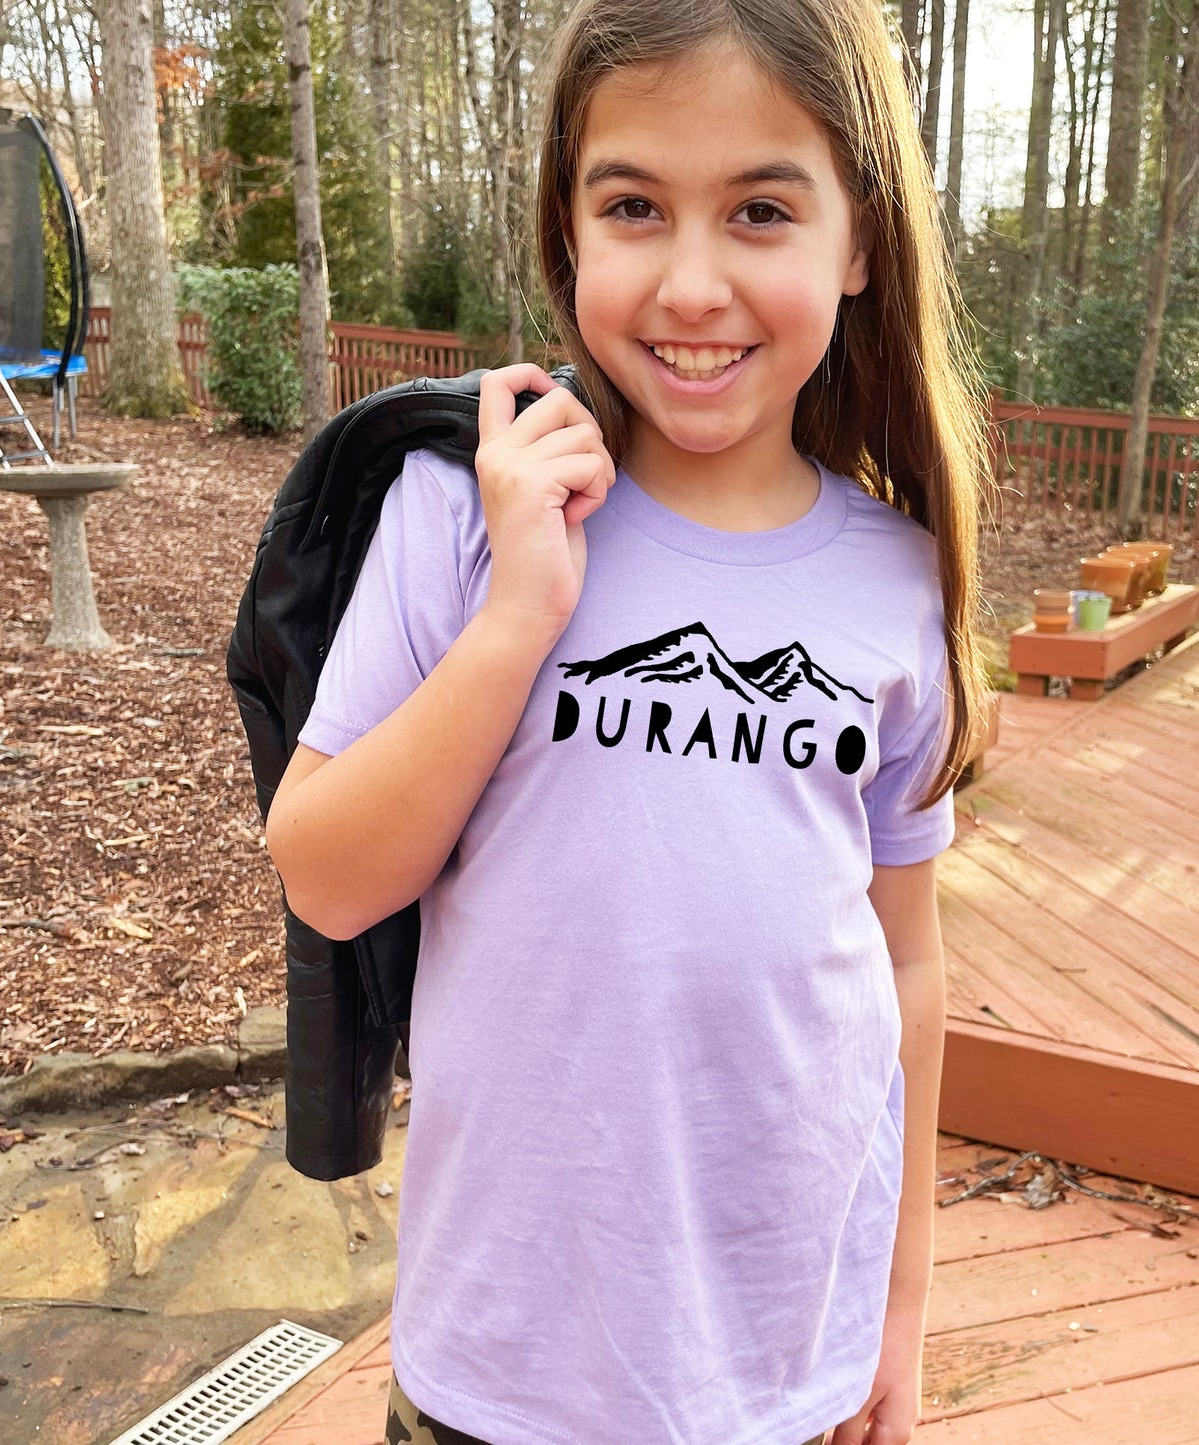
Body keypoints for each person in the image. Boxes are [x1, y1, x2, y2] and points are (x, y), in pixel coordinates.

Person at [264, 0, 991, 1440]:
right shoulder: (462, 515)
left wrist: (896, 1313)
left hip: (787, 1367)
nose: (692, 281)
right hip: (503, 1369)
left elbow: (904, 967)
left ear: (857, 245)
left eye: (763, 210)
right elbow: (328, 876)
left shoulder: (897, 579)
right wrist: (522, 608)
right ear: (569, 227)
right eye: (635, 206)